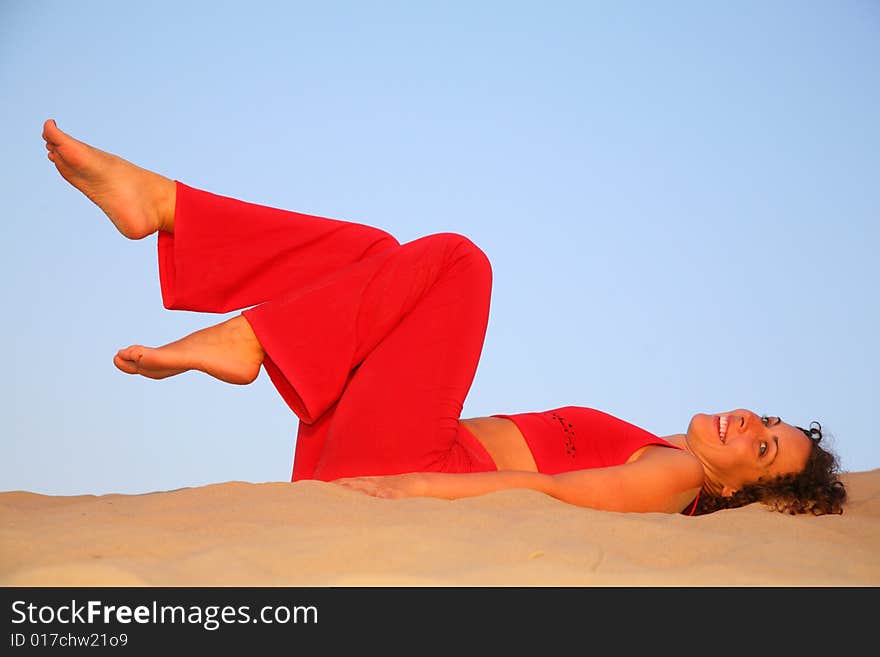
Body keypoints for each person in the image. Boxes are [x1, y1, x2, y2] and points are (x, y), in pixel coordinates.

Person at [41, 118, 847, 516]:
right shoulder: (667, 446)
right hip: (370, 448)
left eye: (764, 445)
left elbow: (543, 495)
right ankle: (169, 209)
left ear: (745, 491)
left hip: (399, 471)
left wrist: (405, 487)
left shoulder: (672, 476)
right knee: (379, 257)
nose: (751, 421)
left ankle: (249, 330)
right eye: (767, 418)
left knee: (459, 263)